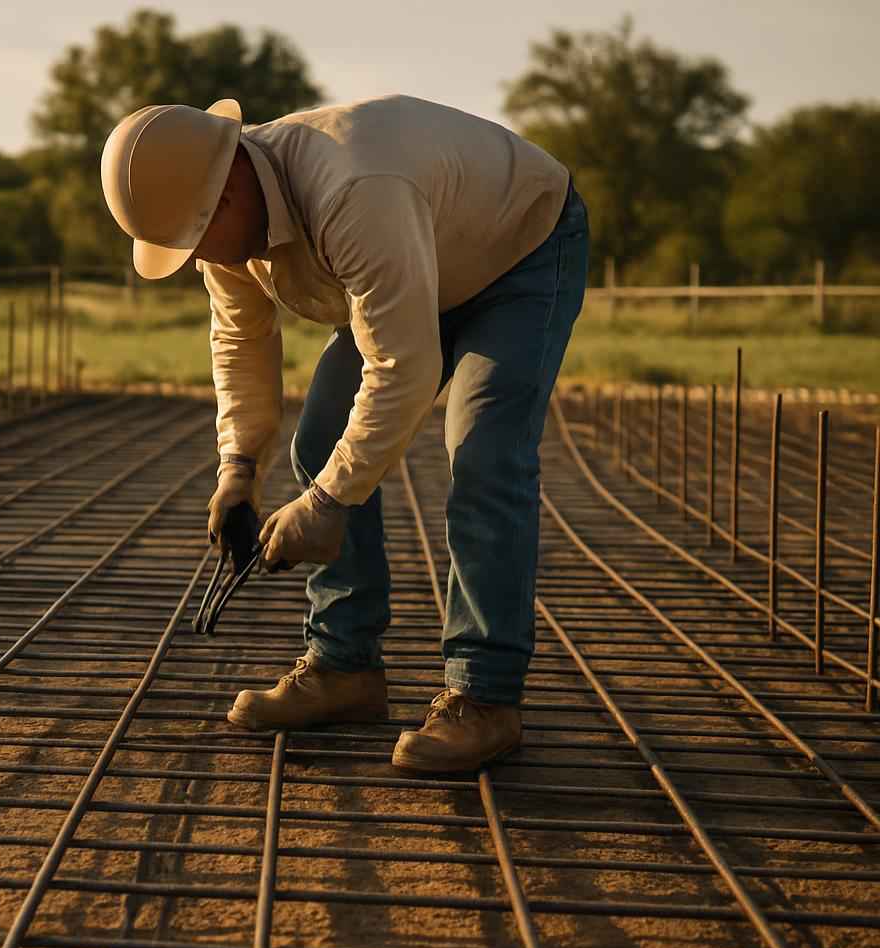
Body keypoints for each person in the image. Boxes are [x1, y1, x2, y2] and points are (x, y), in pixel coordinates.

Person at [99, 95, 589, 773]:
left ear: (231, 185)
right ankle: (345, 668)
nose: (199, 257)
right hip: (419, 256)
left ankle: (485, 697)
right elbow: (239, 344)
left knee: (482, 455)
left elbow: (404, 367)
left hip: (518, 248)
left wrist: (327, 504)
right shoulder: (220, 229)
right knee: (321, 437)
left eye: (196, 236)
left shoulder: (353, 191)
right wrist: (238, 467)